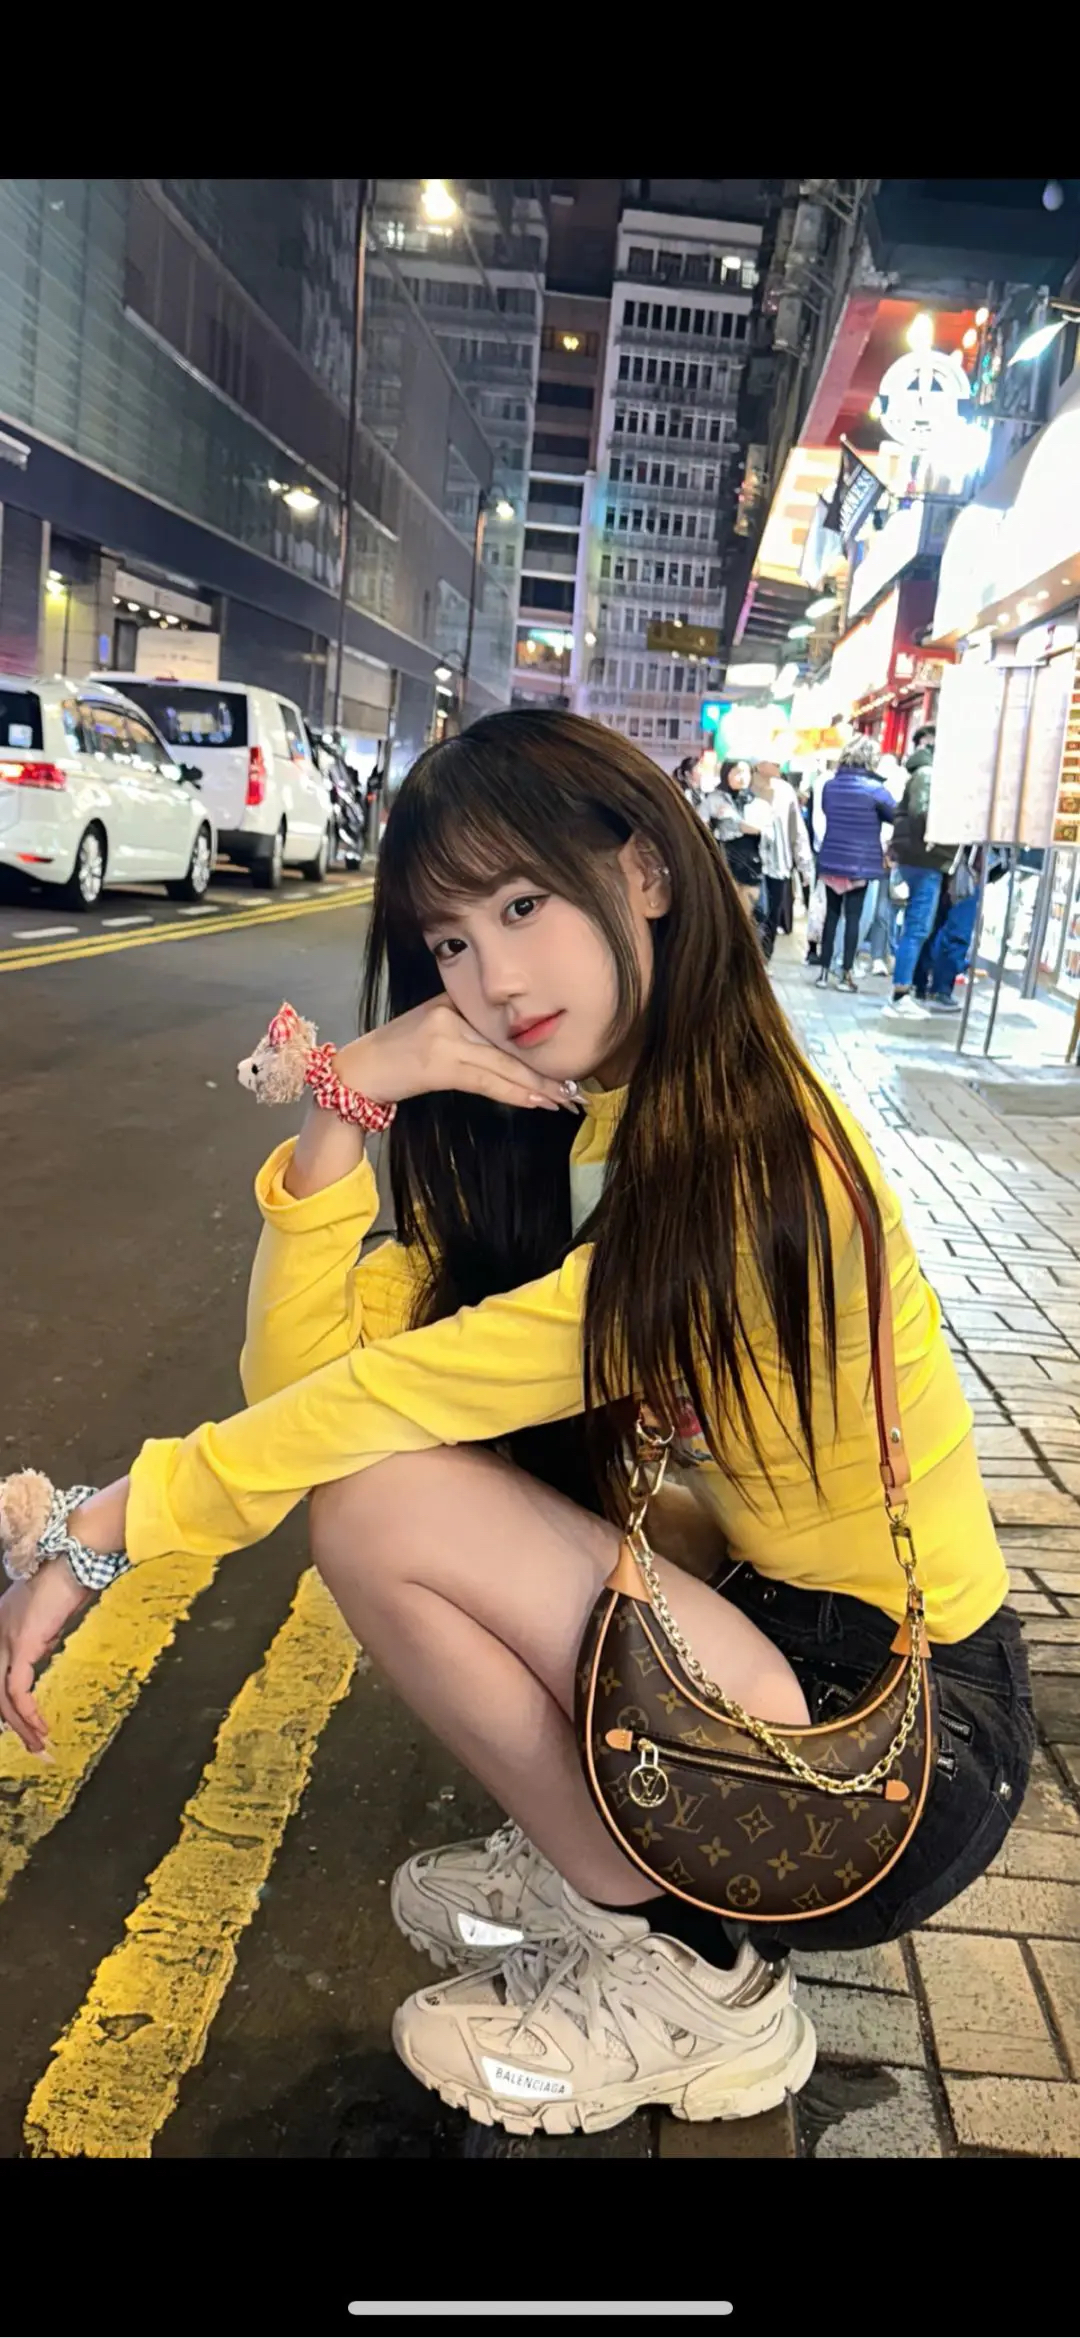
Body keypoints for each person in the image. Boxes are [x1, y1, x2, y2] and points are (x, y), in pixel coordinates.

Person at [0, 709, 1032, 2142]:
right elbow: (305, 1387)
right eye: (450, 941)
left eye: (525, 904)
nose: (493, 977)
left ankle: (693, 1978)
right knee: (389, 1475)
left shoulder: (750, 1155)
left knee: (385, 1507)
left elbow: (387, 1414)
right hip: (774, 1650)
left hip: (895, 1748)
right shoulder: (586, 1119)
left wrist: (112, 1524)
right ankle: (613, 1873)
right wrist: (349, 1102)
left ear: (645, 872)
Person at [815, 736, 895, 992]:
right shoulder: (875, 789)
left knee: (831, 916)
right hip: (859, 863)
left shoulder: (830, 786)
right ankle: (845, 974)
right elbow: (895, 814)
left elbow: (827, 811)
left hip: (832, 858)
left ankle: (823, 972)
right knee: (853, 918)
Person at [886, 725, 956, 1022]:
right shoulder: (927, 774)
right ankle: (900, 993)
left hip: (920, 858)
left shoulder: (923, 772)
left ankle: (902, 989)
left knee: (916, 927)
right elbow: (922, 813)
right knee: (917, 928)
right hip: (926, 859)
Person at [750, 759, 813, 961]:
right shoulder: (746, 788)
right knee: (753, 914)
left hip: (778, 865)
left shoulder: (785, 791)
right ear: (759, 764)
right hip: (749, 864)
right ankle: (751, 959)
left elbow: (797, 829)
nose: (778, 765)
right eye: (773, 761)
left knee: (772, 917)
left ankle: (764, 960)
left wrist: (804, 865)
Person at [702, 757, 768, 916]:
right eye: (738, 772)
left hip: (753, 861)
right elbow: (701, 824)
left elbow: (762, 829)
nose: (743, 777)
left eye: (746, 772)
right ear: (726, 774)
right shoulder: (714, 799)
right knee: (729, 909)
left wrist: (734, 822)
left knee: (754, 911)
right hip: (725, 860)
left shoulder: (756, 802)